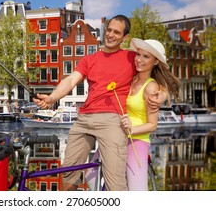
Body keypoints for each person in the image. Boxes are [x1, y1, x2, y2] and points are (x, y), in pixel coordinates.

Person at [33, 15, 167, 191]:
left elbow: (155, 75)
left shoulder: (132, 58)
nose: (110, 34)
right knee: (68, 172)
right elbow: (72, 80)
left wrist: (162, 94)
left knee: (115, 182)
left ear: (125, 37)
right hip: (83, 120)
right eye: (109, 30)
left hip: (112, 120)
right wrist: (52, 98)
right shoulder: (89, 59)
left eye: (116, 32)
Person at [121, 38, 180, 190]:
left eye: (146, 56)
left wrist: (131, 129)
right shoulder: (132, 79)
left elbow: (152, 125)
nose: (139, 60)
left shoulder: (151, 88)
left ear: (155, 62)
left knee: (137, 191)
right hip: (118, 139)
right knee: (92, 172)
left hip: (137, 142)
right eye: (138, 54)